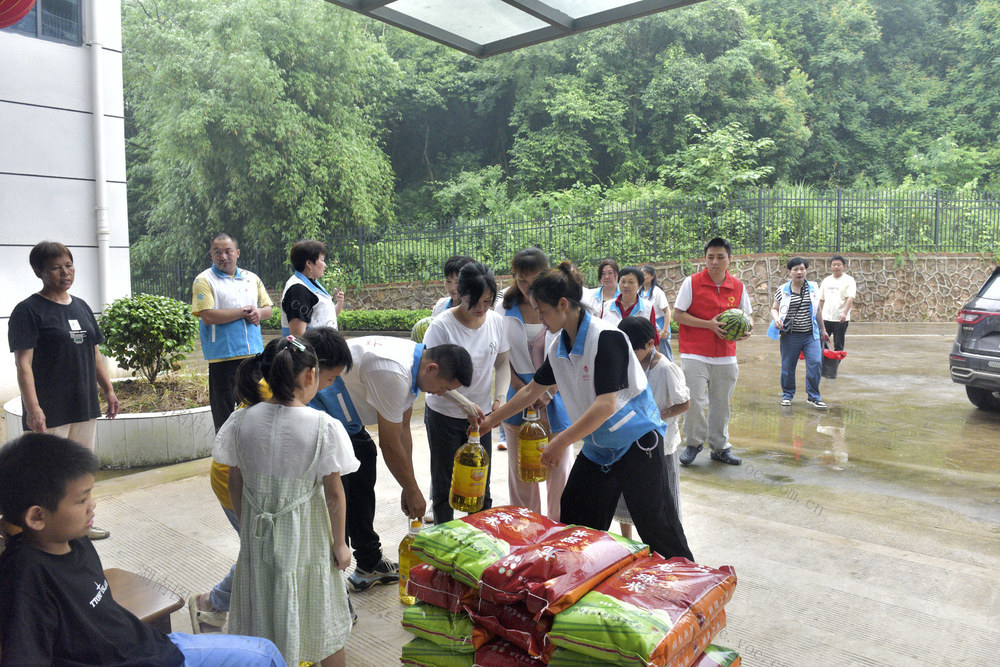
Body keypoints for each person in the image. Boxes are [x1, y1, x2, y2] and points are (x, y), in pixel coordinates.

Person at [0, 432, 286, 666]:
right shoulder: (27, 579)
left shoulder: (73, 539)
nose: (93, 504)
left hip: (149, 648)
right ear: (37, 517)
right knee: (265, 656)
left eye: (91, 493)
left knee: (264, 652)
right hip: (145, 658)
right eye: (81, 499)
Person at [479, 263, 692, 561]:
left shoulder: (606, 338)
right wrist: (489, 422)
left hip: (637, 444)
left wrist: (560, 441)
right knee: (575, 521)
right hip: (598, 449)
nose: (540, 318)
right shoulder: (557, 345)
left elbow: (606, 405)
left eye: (543, 311)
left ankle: (688, 586)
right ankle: (576, 581)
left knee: (656, 526)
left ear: (563, 304)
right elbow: (530, 391)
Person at [188, 329, 352, 633]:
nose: (330, 387)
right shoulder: (283, 407)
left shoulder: (271, 390)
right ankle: (212, 603)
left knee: (266, 554)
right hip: (249, 486)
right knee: (267, 557)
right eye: (329, 380)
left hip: (252, 484)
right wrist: (246, 519)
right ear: (310, 375)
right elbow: (333, 490)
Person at [308, 330, 473, 590]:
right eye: (444, 387)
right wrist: (412, 490)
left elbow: (403, 430)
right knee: (341, 487)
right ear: (432, 368)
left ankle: (369, 563)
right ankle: (330, 580)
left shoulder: (413, 365)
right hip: (322, 406)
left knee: (363, 459)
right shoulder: (395, 372)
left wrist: (410, 485)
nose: (442, 394)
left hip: (345, 416)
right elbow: (389, 442)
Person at [8, 241, 119, 540]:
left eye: (68, 265)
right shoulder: (28, 311)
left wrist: (108, 390)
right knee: (47, 475)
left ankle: (81, 526)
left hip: (83, 404)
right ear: (38, 272)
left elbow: (94, 353)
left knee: (81, 473)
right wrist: (33, 408)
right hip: (51, 410)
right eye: (56, 268)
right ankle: (43, 533)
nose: (65, 273)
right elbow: (24, 365)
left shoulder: (81, 306)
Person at [423, 262, 510, 524]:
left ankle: (480, 541)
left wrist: (500, 397)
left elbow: (503, 361)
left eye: (487, 301)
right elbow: (430, 376)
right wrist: (463, 404)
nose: (481, 308)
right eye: (475, 301)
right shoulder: (442, 327)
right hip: (445, 414)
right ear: (461, 293)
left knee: (479, 484)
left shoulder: (495, 322)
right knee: (444, 484)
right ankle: (445, 541)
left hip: (480, 419)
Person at [496, 248, 574, 521]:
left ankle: (558, 531)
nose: (528, 287)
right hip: (517, 393)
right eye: (521, 280)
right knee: (522, 473)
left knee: (559, 470)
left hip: (558, 392)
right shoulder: (503, 308)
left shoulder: (561, 304)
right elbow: (500, 355)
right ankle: (528, 531)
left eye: (534, 279)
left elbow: (570, 351)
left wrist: (548, 392)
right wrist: (519, 387)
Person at [673, 237, 753, 467]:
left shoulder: (737, 286)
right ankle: (693, 443)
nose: (715, 262)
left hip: (726, 354)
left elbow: (747, 317)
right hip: (694, 352)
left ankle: (719, 447)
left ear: (729, 259)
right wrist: (708, 324)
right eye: (710, 257)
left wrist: (747, 330)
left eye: (720, 257)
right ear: (705, 259)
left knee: (721, 403)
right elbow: (677, 314)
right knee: (696, 399)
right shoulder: (692, 282)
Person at [612, 317, 690, 538]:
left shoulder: (665, 368)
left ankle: (669, 543)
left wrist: (657, 416)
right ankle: (627, 541)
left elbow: (684, 403)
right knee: (625, 492)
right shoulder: (627, 363)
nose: (628, 355)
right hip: (630, 439)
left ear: (649, 344)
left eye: (633, 351)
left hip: (661, 443)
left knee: (664, 498)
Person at [192, 232, 273, 431]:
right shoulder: (204, 280)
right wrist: (242, 312)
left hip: (253, 356)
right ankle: (226, 460)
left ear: (237, 253)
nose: (223, 256)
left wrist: (258, 313)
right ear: (211, 254)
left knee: (258, 411)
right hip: (222, 357)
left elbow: (268, 308)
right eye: (217, 252)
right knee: (225, 417)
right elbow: (207, 315)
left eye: (228, 251)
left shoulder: (251, 278)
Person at [769, 257, 829, 410]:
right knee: (788, 367)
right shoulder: (782, 289)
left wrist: (823, 330)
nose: (799, 272)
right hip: (790, 335)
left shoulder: (814, 287)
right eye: (795, 269)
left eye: (802, 269)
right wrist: (776, 319)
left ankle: (814, 397)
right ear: (789, 272)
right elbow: (774, 308)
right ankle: (787, 395)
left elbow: (818, 310)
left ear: (806, 270)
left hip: (811, 334)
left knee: (815, 363)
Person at [281, 239, 344, 336]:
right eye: (322, 260)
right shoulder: (298, 290)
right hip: (314, 350)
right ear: (309, 264)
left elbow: (325, 318)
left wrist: (339, 303)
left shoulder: (312, 283)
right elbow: (298, 337)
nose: (325, 264)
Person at [602, 266, 658, 337]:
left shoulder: (648, 308)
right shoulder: (606, 306)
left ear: (639, 285)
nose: (625, 285)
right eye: (623, 281)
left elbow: (654, 338)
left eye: (631, 282)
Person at [818, 255, 856, 351]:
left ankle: (834, 365)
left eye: (838, 265)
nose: (836, 267)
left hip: (840, 319)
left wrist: (844, 313)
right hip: (825, 318)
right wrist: (817, 314)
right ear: (830, 266)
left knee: (838, 344)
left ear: (843, 266)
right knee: (821, 342)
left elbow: (850, 298)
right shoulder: (826, 280)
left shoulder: (849, 280)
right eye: (834, 265)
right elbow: (821, 299)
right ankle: (823, 363)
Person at [641, 265, 674, 360]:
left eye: (644, 275)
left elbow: (667, 311)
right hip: (647, 327)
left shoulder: (657, 292)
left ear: (652, 276)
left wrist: (664, 330)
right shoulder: (640, 292)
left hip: (659, 327)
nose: (642, 277)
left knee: (665, 357)